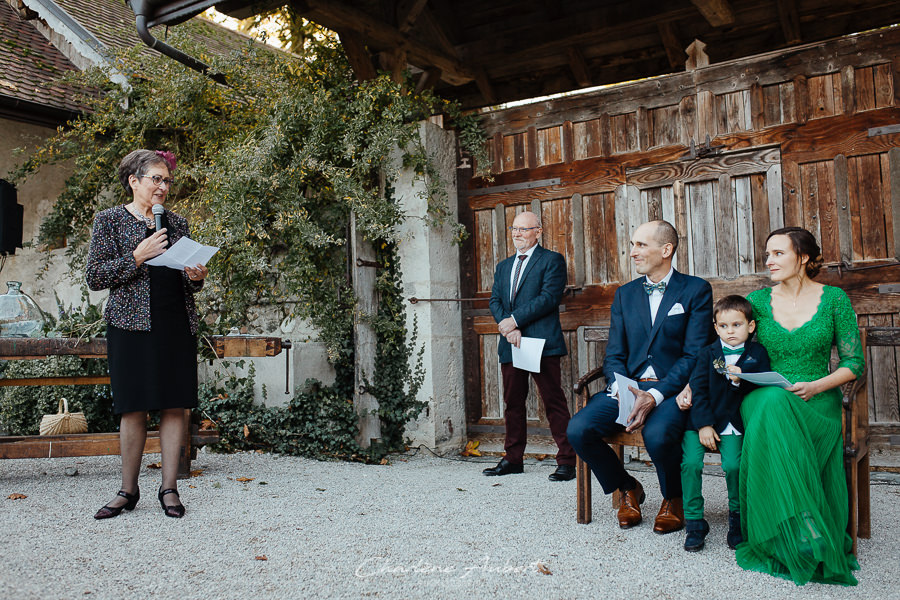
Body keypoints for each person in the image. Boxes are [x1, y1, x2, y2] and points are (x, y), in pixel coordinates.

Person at [735, 227, 864, 585]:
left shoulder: (835, 300)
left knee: (782, 411)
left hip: (817, 398)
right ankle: (804, 527)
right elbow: (728, 344)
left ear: (803, 258)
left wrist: (817, 385)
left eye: (778, 253)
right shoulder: (757, 302)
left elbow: (855, 363)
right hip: (764, 397)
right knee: (774, 401)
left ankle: (803, 523)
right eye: (767, 254)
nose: (769, 261)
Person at [567, 220, 713, 532]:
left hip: (671, 391)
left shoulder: (695, 290)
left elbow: (694, 354)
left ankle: (673, 497)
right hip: (630, 387)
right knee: (579, 429)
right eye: (632, 245)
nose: (632, 252)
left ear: (666, 249)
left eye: (641, 245)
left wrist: (656, 395)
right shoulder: (625, 294)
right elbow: (616, 352)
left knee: (657, 436)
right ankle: (626, 487)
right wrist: (621, 389)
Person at [87, 149, 208, 519]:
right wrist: (137, 256)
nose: (163, 186)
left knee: (175, 404)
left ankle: (169, 488)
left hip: (175, 322)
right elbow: (95, 277)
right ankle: (128, 490)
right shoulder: (108, 221)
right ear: (134, 181)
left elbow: (186, 279)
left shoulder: (177, 223)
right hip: (130, 324)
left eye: (167, 180)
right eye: (156, 178)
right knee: (133, 405)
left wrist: (196, 278)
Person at [483, 210, 576, 481]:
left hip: (541, 342)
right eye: (514, 229)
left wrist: (513, 321)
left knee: (553, 401)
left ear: (539, 231)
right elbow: (495, 300)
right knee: (512, 402)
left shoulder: (552, 260)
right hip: (511, 343)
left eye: (524, 229)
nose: (518, 234)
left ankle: (568, 460)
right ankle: (513, 458)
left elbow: (548, 298)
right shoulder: (503, 266)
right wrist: (507, 326)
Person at [677, 295, 770, 552]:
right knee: (691, 463)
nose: (730, 332)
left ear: (750, 326)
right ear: (716, 327)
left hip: (734, 423)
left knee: (734, 466)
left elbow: (762, 387)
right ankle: (694, 522)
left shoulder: (757, 354)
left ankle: (737, 519)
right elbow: (699, 389)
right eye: (724, 326)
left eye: (737, 325)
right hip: (701, 420)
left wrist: (743, 379)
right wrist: (704, 425)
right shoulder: (707, 353)